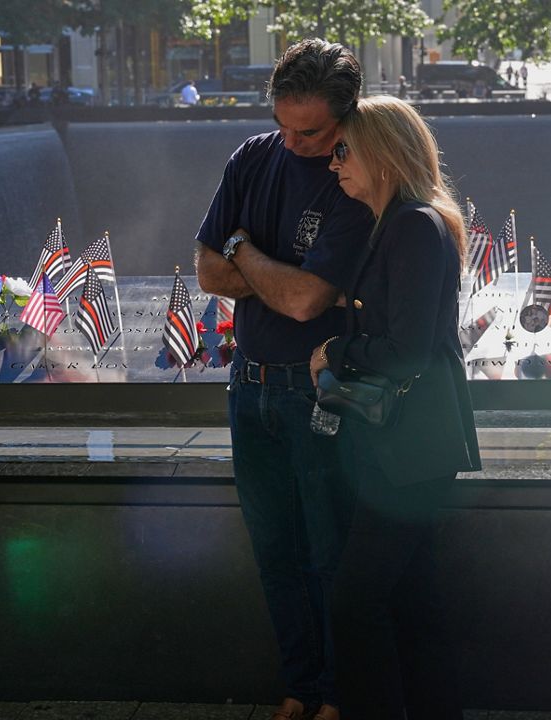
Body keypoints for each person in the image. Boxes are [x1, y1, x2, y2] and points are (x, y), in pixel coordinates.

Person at [194, 39, 373, 720]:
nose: (293, 144)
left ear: (346, 118)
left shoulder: (358, 176)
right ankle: (301, 687)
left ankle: (340, 695)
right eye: (283, 126)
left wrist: (242, 246)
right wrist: (276, 274)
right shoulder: (252, 156)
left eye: (311, 133)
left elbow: (303, 301)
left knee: (330, 551)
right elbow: (208, 273)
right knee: (275, 554)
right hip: (249, 386)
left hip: (318, 390)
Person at [312, 95, 482, 718]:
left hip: (409, 449)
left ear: (381, 155)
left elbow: (407, 350)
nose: (334, 164)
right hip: (406, 444)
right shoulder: (400, 223)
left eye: (343, 150)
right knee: (413, 600)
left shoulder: (413, 226)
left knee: (355, 603)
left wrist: (335, 351)